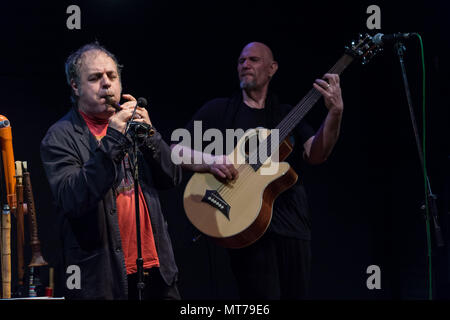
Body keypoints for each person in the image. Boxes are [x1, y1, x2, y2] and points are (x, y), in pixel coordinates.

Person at [173, 42, 344, 299]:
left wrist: (335, 114)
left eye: (253, 59)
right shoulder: (219, 110)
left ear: (272, 68)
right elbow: (175, 150)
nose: (245, 65)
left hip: (293, 225)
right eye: (241, 61)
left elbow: (318, 154)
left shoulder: (288, 115)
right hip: (245, 224)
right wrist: (211, 161)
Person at [40, 43, 182, 300]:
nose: (106, 84)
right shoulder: (59, 137)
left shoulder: (135, 123)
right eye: (95, 78)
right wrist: (114, 138)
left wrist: (151, 135)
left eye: (112, 76)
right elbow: (74, 199)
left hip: (156, 271)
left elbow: (171, 177)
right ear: (75, 86)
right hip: (104, 280)